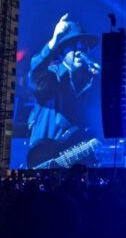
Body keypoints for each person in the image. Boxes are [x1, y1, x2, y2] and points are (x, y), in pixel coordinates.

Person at [26, 13, 102, 168]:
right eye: (74, 44)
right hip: (43, 163)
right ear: (60, 53)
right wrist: (53, 43)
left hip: (76, 170)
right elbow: (35, 73)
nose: (80, 48)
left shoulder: (94, 85)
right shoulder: (52, 76)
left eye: (84, 44)